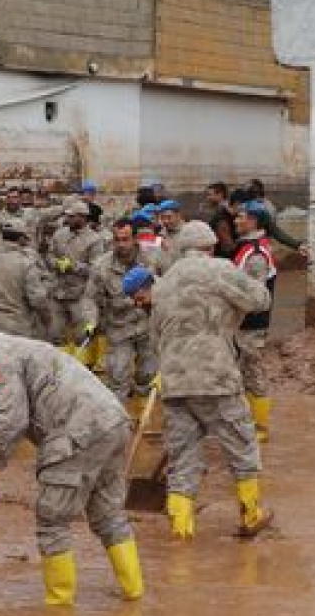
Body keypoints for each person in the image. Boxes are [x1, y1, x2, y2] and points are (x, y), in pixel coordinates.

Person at [0, 333, 143, 607]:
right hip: (113, 421)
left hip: (76, 431)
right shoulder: (14, 346)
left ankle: (59, 608)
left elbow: (12, 421)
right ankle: (134, 591)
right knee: (108, 515)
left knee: (52, 519)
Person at [150, 221, 273, 541]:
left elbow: (155, 335)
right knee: (241, 445)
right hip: (215, 375)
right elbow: (260, 300)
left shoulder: (163, 283)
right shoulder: (220, 269)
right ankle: (251, 514)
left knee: (183, 456)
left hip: (174, 379)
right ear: (211, 247)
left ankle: (181, 530)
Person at [91, 221, 162, 418]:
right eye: (117, 240)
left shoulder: (154, 258)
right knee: (117, 375)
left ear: (135, 239)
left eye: (126, 239)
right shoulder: (101, 266)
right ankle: (117, 422)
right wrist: (91, 321)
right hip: (119, 326)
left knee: (148, 374)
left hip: (148, 325)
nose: (121, 244)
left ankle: (143, 416)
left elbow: (167, 284)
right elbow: (91, 298)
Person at [232, 200, 280, 443]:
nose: (235, 220)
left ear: (253, 221)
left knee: (253, 373)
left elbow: (255, 295)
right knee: (243, 374)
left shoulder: (257, 253)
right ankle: (249, 423)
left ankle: (260, 427)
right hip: (242, 324)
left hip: (251, 324)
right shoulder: (248, 248)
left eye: (240, 216)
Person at [46, 199, 103, 366]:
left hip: (81, 295)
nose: (68, 219)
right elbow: (49, 255)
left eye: (72, 217)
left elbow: (96, 269)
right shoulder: (60, 234)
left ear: (82, 218)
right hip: (58, 293)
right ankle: (58, 368)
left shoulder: (94, 240)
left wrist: (73, 266)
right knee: (55, 334)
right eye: (67, 216)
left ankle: (83, 368)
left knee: (82, 336)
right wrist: (55, 263)